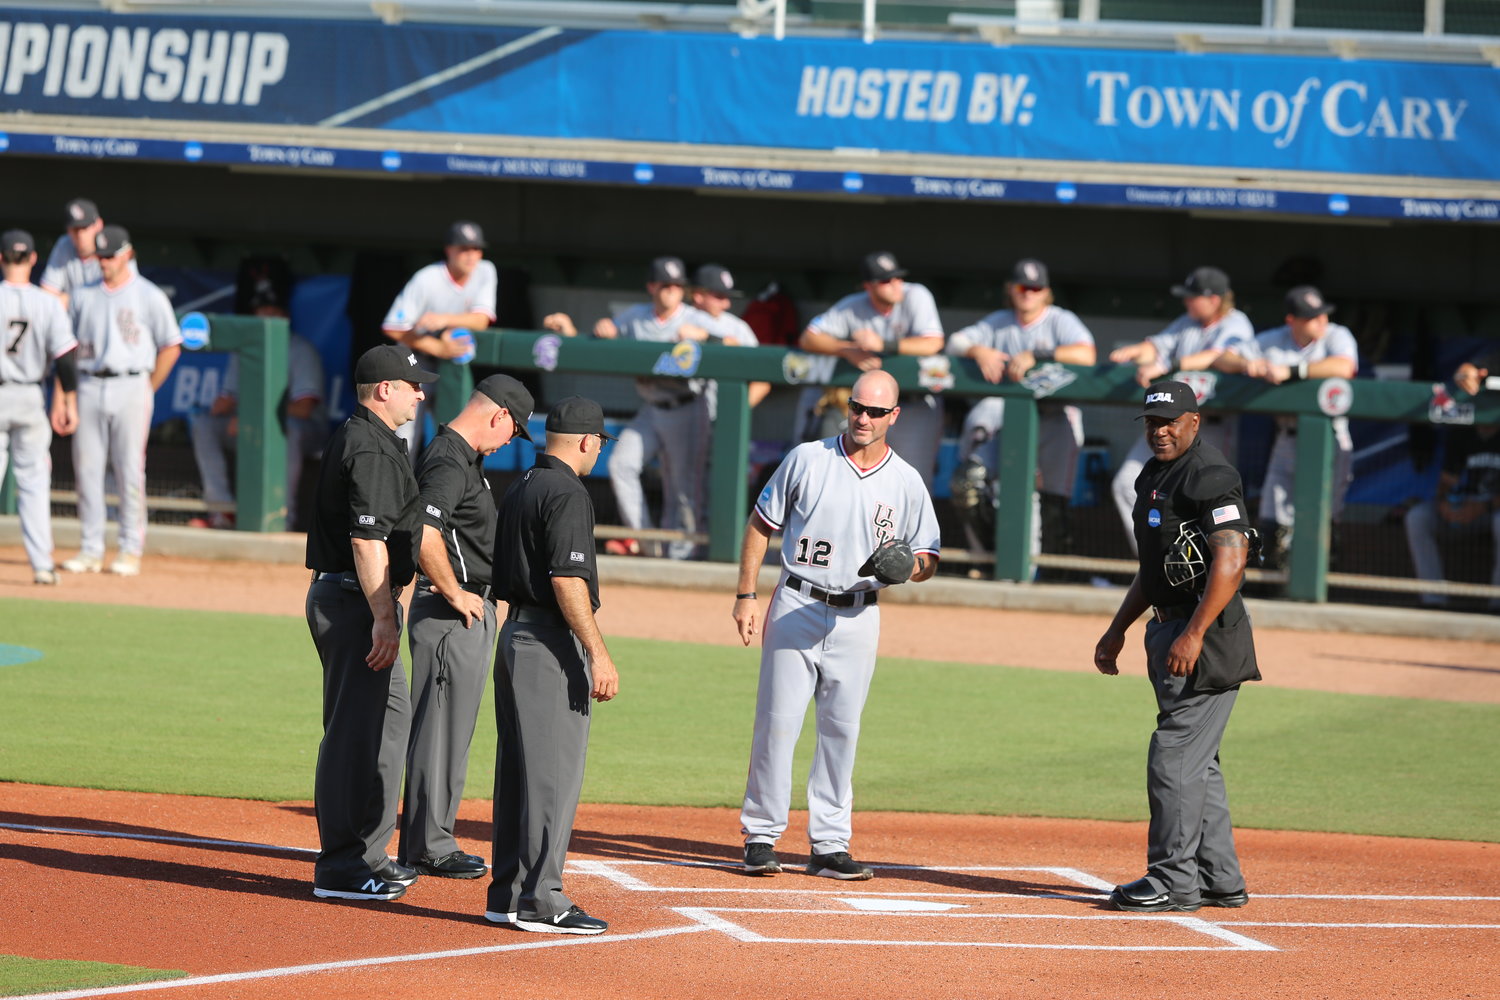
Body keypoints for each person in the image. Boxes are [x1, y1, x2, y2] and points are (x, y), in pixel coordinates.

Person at [732, 369, 940, 880]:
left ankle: (829, 844)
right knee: (777, 723)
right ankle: (761, 834)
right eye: (856, 407)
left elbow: (928, 555)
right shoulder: (808, 458)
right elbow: (761, 524)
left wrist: (908, 568)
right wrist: (745, 594)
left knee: (841, 730)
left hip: (859, 614)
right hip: (796, 604)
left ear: (894, 416)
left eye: (874, 411)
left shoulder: (906, 480)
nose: (863, 418)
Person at [1093, 380, 1260, 914]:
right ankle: (1219, 879)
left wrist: (1193, 632)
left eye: (1169, 422)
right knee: (1197, 762)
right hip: (1170, 628)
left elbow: (1231, 560)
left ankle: (1172, 880)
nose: (1159, 431)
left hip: (1205, 636)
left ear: (1195, 421)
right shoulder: (1153, 475)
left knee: (1173, 756)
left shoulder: (1211, 474)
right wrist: (1118, 628)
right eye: (1151, 422)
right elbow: (1152, 568)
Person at [304, 344, 437, 901]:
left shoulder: (373, 439)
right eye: (412, 385)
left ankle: (368, 854)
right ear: (385, 389)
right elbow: (366, 538)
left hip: (353, 599)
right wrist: (384, 618)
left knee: (386, 727)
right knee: (353, 738)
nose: (420, 393)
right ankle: (339, 867)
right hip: (359, 603)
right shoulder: (371, 447)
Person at [486, 396, 620, 935]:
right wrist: (599, 653)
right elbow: (568, 581)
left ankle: (508, 894)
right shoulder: (567, 492)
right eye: (599, 443)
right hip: (546, 643)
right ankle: (542, 898)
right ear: (588, 441)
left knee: (519, 775)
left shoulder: (523, 483)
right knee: (551, 778)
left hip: (514, 634)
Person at [399, 374, 533, 880]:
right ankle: (429, 844)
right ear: (498, 415)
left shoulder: (462, 459)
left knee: (451, 729)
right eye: (512, 430)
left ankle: (431, 838)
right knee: (440, 729)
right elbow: (424, 531)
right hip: (450, 614)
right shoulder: (448, 458)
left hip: (462, 613)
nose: (507, 443)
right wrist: (456, 592)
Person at [543, 256, 711, 559]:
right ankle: (647, 545)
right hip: (651, 407)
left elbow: (737, 341)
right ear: (652, 286)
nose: (671, 290)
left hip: (687, 406)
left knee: (682, 490)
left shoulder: (695, 318)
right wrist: (588, 329)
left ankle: (684, 558)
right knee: (621, 463)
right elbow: (599, 339)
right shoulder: (636, 316)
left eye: (677, 285)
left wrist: (707, 337)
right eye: (665, 285)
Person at [945, 258, 1097, 570]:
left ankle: (1058, 578)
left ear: (1045, 292)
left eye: (1035, 287)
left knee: (1054, 503)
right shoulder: (999, 322)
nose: (1027, 292)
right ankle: (991, 560)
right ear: (1010, 290)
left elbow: (1087, 354)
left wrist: (1037, 355)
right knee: (970, 483)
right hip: (1011, 420)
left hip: (1056, 419)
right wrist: (978, 350)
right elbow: (954, 342)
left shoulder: (1059, 319)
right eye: (1021, 286)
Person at [59, 226, 182, 578]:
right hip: (87, 382)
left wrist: (148, 387)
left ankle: (130, 549)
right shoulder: (83, 294)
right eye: (100, 256)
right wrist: (64, 396)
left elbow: (171, 345)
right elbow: (64, 350)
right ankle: (90, 548)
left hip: (131, 382)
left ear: (127, 253)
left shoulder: (148, 294)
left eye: (110, 255)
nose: (104, 262)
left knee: (129, 471)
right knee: (87, 471)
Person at [1109, 267, 1254, 552]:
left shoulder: (1237, 324)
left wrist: (1170, 365)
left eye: (1194, 297)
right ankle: (1154, 564)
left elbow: (1219, 356)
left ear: (1214, 299)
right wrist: (1138, 352)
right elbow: (1157, 346)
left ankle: (1197, 569)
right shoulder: (1187, 322)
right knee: (1127, 484)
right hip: (1166, 424)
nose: (1187, 302)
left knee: (1203, 498)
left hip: (1210, 425)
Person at [1213, 286, 1359, 567]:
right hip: (1287, 438)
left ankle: (1326, 585)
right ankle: (1273, 585)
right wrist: (1248, 364)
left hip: (1330, 437)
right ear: (1291, 320)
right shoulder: (1274, 339)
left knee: (1325, 517)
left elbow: (1345, 366)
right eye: (1311, 317)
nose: (1321, 321)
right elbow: (1222, 358)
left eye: (1322, 314)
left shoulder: (1336, 335)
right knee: (1272, 517)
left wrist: (1292, 372)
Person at [796, 252, 946, 486]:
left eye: (897, 278)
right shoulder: (852, 306)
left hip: (914, 404)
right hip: (868, 410)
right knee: (850, 480)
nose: (896, 285)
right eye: (886, 281)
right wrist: (846, 349)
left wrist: (883, 345)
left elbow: (933, 342)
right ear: (868, 286)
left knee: (913, 483)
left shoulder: (916, 295)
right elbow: (808, 338)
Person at [188, 281, 327, 531]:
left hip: (306, 432)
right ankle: (222, 513)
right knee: (205, 424)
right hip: (253, 425)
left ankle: (282, 519)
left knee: (289, 432)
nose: (266, 317)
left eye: (273, 312)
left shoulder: (299, 349)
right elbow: (224, 401)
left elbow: (304, 409)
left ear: (285, 316)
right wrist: (225, 409)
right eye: (261, 311)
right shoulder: (243, 350)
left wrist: (252, 417)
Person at [0, 229, 79, 585]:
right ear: (33, 259)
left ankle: (44, 564)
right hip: (31, 394)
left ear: (1, 258)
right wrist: (68, 401)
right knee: (33, 483)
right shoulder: (48, 302)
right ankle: (42, 565)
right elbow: (65, 358)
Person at [381, 221, 497, 459]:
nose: (471, 255)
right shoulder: (427, 278)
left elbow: (482, 319)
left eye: (475, 248)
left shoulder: (485, 270)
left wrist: (444, 320)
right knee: (406, 436)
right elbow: (393, 327)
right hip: (416, 362)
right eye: (464, 248)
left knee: (452, 436)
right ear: (449, 250)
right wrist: (436, 346)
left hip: (452, 365)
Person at [1403, 422, 1500, 609]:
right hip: (1468, 504)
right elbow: (1448, 479)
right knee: (1418, 517)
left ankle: (1497, 605)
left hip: (1493, 508)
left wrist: (1483, 506)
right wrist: (1444, 502)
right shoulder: (1462, 433)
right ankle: (1433, 601)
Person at [690, 263, 772, 409]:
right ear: (698, 296)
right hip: (680, 408)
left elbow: (762, 381)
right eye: (719, 297)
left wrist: (737, 411)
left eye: (727, 297)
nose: (726, 304)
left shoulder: (737, 327)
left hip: (717, 412)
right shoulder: (679, 318)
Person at [38, 197, 133, 306]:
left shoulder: (113, 245)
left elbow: (122, 297)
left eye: (85, 227)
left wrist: (70, 300)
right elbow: (46, 296)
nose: (80, 235)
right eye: (75, 229)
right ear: (68, 230)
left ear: (98, 225)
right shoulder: (64, 245)